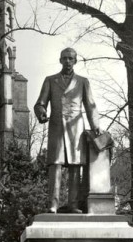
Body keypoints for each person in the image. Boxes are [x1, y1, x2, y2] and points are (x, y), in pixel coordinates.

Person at [34, 47, 101, 213]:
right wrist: (41, 112)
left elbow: (90, 105)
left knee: (75, 166)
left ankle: (73, 204)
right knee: (55, 166)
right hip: (56, 126)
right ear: (60, 60)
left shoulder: (83, 81)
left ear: (75, 61)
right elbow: (40, 103)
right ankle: (53, 204)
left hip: (75, 128)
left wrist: (95, 125)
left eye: (71, 58)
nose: (68, 61)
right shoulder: (50, 80)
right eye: (64, 58)